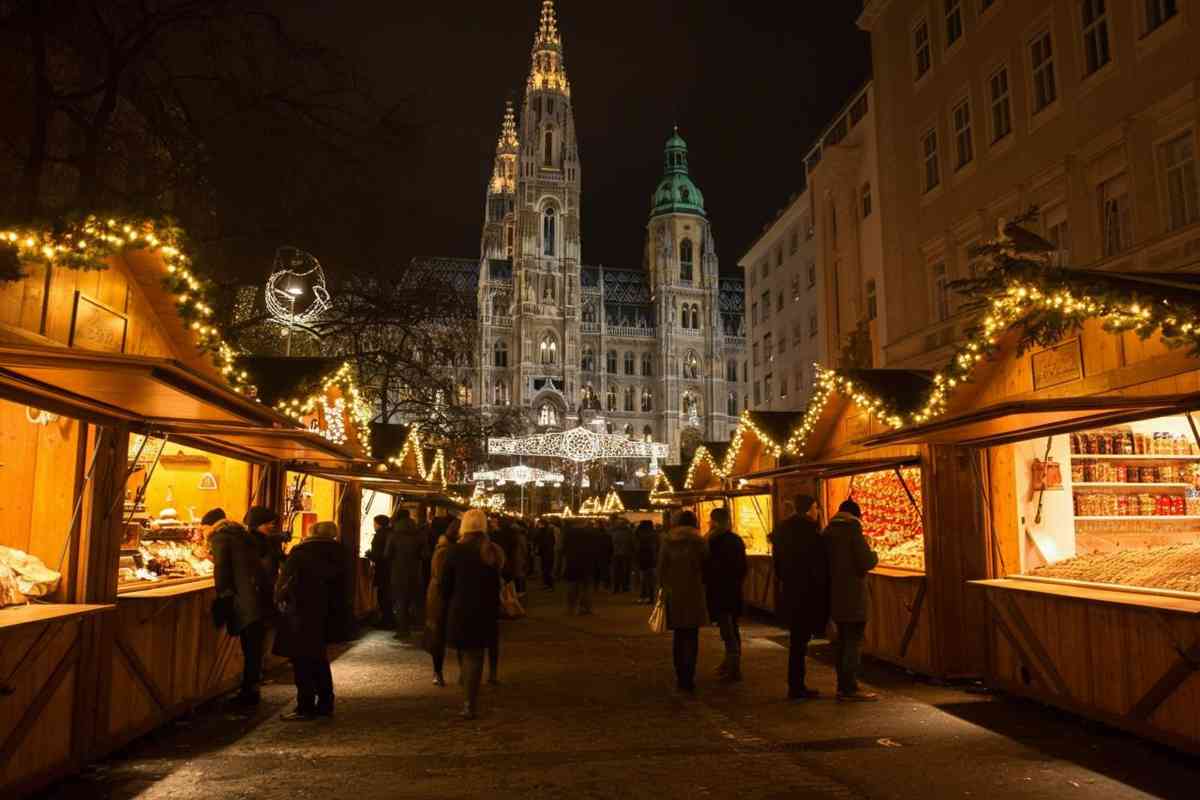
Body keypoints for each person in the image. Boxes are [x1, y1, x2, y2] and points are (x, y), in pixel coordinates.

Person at [273, 521, 353, 721]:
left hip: (301, 613)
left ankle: (305, 706)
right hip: (328, 615)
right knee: (319, 659)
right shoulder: (341, 553)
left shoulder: (301, 552)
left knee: (302, 661)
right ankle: (325, 704)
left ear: (312, 532)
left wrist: (280, 600)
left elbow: (285, 582)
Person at [440, 509, 505, 719]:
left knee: (465, 652)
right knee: (475, 656)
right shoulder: (492, 551)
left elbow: (445, 585)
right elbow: (498, 583)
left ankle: (467, 693)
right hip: (484, 610)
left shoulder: (454, 551)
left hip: (460, 608)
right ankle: (470, 702)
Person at [771, 494, 831, 700]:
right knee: (799, 642)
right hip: (806, 595)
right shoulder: (810, 535)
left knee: (797, 642)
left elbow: (778, 566)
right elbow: (818, 569)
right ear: (808, 510)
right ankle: (797, 687)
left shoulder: (784, 532)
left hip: (790, 593)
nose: (818, 511)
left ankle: (796, 684)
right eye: (816, 507)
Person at [208, 509, 268, 707]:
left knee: (250, 648)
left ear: (212, 526)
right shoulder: (244, 536)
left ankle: (248, 693)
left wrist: (222, 593)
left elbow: (221, 568)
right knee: (254, 649)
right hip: (257, 597)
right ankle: (251, 688)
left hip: (243, 600)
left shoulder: (220, 538)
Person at [822, 499, 880, 702]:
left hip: (834, 595)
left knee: (841, 642)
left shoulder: (827, 532)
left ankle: (842, 685)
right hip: (853, 595)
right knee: (853, 642)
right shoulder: (853, 531)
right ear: (856, 515)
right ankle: (850, 688)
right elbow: (866, 561)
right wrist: (873, 551)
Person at [658, 510, 708, 693]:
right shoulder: (700, 542)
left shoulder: (668, 541)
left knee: (679, 636)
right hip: (694, 592)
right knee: (692, 636)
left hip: (675, 592)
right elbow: (706, 566)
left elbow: (661, 568)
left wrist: (662, 587)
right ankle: (690, 676)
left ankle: (680, 675)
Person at [705, 507, 748, 682]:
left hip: (718, 591)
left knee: (727, 630)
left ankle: (733, 668)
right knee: (732, 628)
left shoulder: (711, 541)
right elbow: (742, 567)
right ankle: (730, 663)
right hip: (733, 590)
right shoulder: (735, 540)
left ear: (714, 521)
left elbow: (706, 567)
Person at [424, 519, 460, 686]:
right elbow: (440, 578)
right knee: (439, 635)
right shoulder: (444, 551)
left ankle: (445, 672)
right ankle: (438, 672)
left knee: (450, 635)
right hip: (441, 598)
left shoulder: (446, 549)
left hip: (443, 596)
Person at [386, 509, 427, 639]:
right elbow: (426, 555)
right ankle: (418, 626)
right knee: (415, 600)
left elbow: (387, 555)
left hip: (398, 571)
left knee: (400, 601)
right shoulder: (419, 534)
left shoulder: (394, 535)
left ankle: (402, 630)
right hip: (415, 571)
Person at [244, 506, 288, 591]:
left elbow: (281, 559)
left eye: (273, 523)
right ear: (256, 525)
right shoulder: (249, 543)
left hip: (269, 587)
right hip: (256, 590)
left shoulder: (269, 540)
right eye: (267, 523)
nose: (272, 526)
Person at [367, 514, 395, 627]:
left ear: (379, 524)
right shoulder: (390, 533)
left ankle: (386, 620)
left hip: (383, 569)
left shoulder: (380, 535)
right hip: (390, 569)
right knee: (387, 594)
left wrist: (370, 554)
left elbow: (380, 555)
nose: (374, 525)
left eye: (375, 523)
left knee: (383, 595)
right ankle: (388, 619)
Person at [562, 522, 595, 615]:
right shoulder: (589, 535)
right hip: (586, 564)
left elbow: (563, 550)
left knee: (572, 587)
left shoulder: (568, 536)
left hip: (572, 563)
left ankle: (571, 608)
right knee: (586, 587)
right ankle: (586, 607)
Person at [634, 520, 658, 604]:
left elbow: (636, 547)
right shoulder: (654, 534)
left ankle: (643, 596)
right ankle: (651, 597)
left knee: (643, 579)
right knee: (651, 580)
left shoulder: (638, 534)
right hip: (652, 559)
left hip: (642, 559)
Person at [610, 518, 635, 594]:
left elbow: (610, 544)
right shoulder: (629, 532)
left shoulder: (613, 532)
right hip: (626, 554)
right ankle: (625, 587)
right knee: (625, 571)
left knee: (616, 571)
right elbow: (632, 543)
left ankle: (616, 588)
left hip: (616, 554)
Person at [536, 522, 557, 589]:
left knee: (546, 569)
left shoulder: (544, 532)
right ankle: (548, 583)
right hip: (548, 552)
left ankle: (548, 584)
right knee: (547, 569)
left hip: (546, 553)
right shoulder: (549, 532)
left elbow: (542, 543)